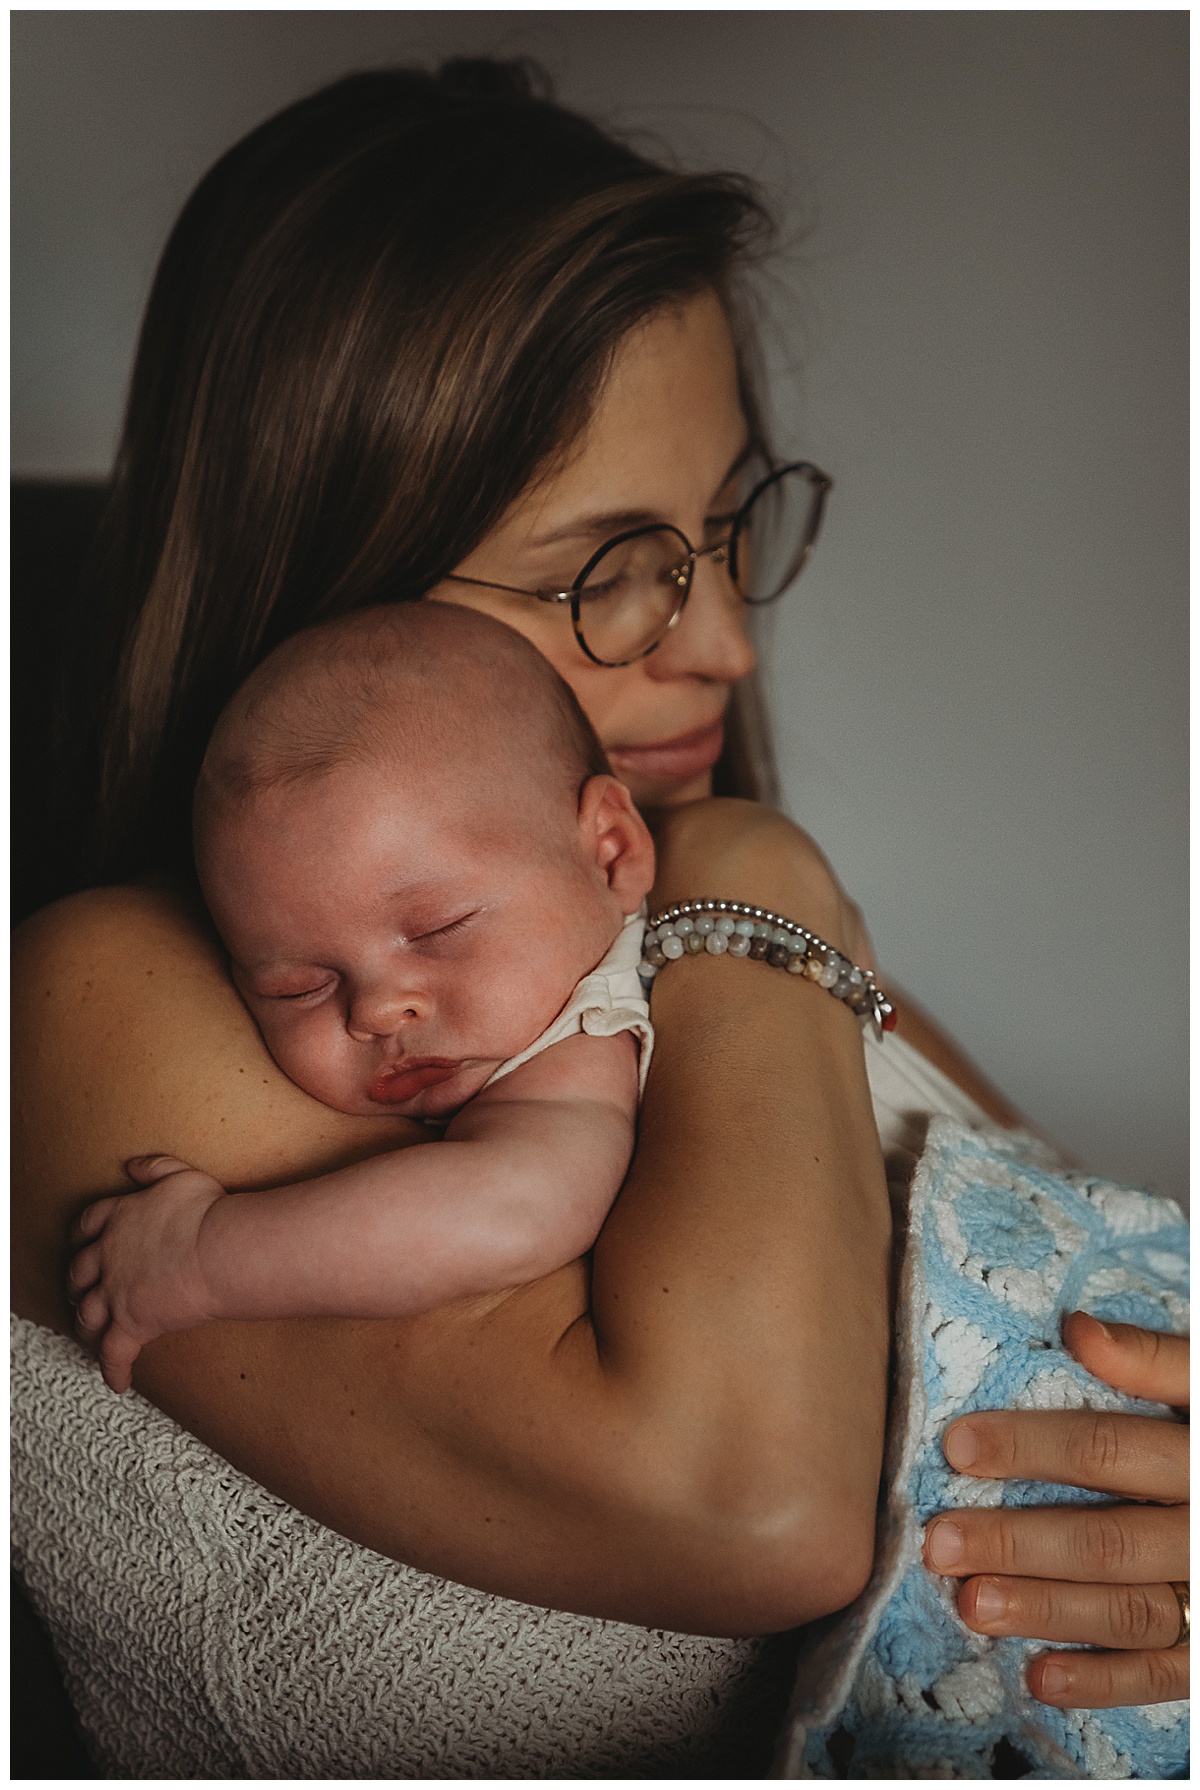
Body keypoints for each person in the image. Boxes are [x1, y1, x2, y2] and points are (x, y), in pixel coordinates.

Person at [11, 57, 1187, 1772]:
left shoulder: (704, 967)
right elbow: (754, 1501)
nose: (722, 642)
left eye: (721, 535)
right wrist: (758, 868)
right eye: (613, 569)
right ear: (346, 569)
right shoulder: (107, 999)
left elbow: (1095, 1337)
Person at [68, 602, 659, 1394]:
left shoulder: (579, 1039)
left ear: (611, 853)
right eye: (300, 987)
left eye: (440, 929)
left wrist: (207, 1256)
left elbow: (508, 1210)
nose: (378, 1011)